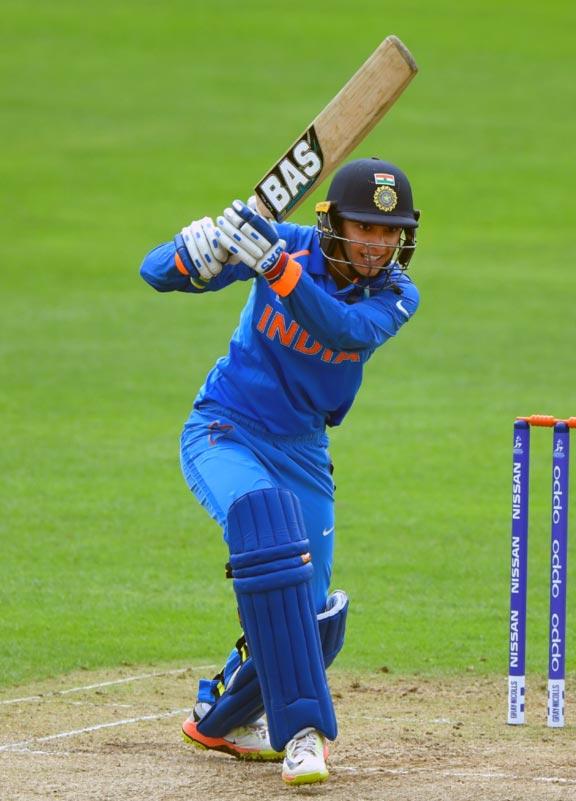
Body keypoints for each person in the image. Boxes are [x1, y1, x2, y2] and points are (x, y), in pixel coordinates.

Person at [139, 157, 420, 785]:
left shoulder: (397, 295)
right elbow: (154, 273)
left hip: (303, 451)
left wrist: (273, 267)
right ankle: (303, 736)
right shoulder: (284, 241)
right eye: (365, 227)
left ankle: (220, 718)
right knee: (269, 532)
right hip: (226, 429)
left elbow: (341, 329)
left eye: (389, 231)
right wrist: (197, 250)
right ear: (332, 221)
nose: (377, 244)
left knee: (314, 622)